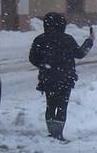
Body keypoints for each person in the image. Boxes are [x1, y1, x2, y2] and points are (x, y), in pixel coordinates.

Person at [28, 12, 93, 141]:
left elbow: (32, 58)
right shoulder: (67, 39)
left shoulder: (40, 39)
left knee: (50, 104)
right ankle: (58, 134)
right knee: (62, 106)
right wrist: (90, 41)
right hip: (65, 78)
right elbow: (79, 53)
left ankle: (52, 133)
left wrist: (44, 65)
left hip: (47, 78)